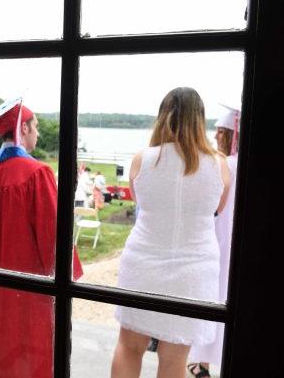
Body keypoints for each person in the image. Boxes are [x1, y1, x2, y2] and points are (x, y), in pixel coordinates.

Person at [111, 87, 231, 378]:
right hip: (194, 270)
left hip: (144, 262)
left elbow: (142, 204)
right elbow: (218, 209)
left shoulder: (142, 159)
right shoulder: (219, 165)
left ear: (162, 117)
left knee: (129, 346)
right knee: (174, 358)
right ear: (199, 120)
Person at [0, 98, 83, 378]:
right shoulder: (37, 173)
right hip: (26, 287)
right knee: (27, 353)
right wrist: (68, 275)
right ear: (25, 128)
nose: (38, 133)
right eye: (36, 127)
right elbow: (54, 233)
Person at [188, 104, 240, 377]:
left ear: (222, 133)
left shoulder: (217, 164)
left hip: (215, 238)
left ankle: (202, 362)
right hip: (237, 243)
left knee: (212, 297)